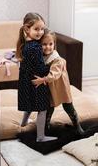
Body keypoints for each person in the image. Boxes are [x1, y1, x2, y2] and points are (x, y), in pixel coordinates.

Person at [32, 29, 84, 135]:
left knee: (68, 106)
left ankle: (78, 127)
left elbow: (54, 75)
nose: (48, 47)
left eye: (50, 44)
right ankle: (46, 127)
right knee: (49, 107)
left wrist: (42, 80)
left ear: (54, 44)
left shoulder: (57, 60)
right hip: (51, 87)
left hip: (61, 86)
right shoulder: (42, 56)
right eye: (44, 44)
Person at [16, 12, 57, 142]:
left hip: (26, 82)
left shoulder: (25, 44)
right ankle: (40, 137)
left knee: (29, 105)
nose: (40, 32)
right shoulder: (35, 47)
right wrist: (50, 65)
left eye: (42, 29)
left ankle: (23, 124)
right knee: (42, 109)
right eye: (36, 29)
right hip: (36, 82)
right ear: (27, 29)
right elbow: (40, 68)